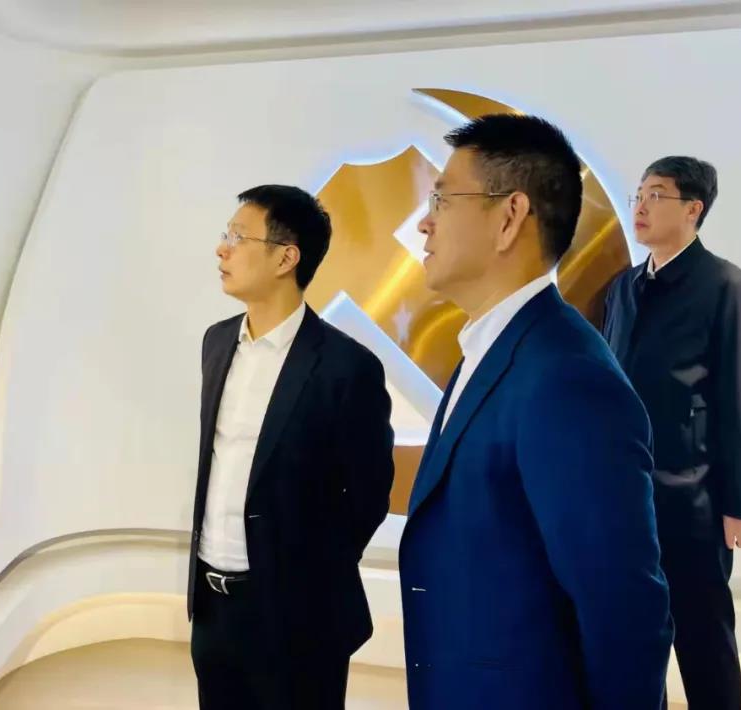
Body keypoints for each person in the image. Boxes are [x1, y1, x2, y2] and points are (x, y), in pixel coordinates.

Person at [399, 114, 672, 709]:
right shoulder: (491, 350)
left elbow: (624, 608)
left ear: (509, 217)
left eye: (442, 199)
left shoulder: (566, 377)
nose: (424, 221)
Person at [188, 185, 394, 709]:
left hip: (299, 617)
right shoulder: (217, 342)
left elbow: (369, 494)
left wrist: (308, 572)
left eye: (239, 236)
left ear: (286, 258)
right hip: (213, 609)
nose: (222, 248)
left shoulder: (347, 367)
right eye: (226, 235)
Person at [602, 156, 741, 710]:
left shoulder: (727, 287)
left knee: (704, 640)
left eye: (656, 195)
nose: (640, 206)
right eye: (638, 195)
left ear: (693, 209)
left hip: (693, 501)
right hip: (626, 499)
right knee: (631, 637)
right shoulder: (624, 289)